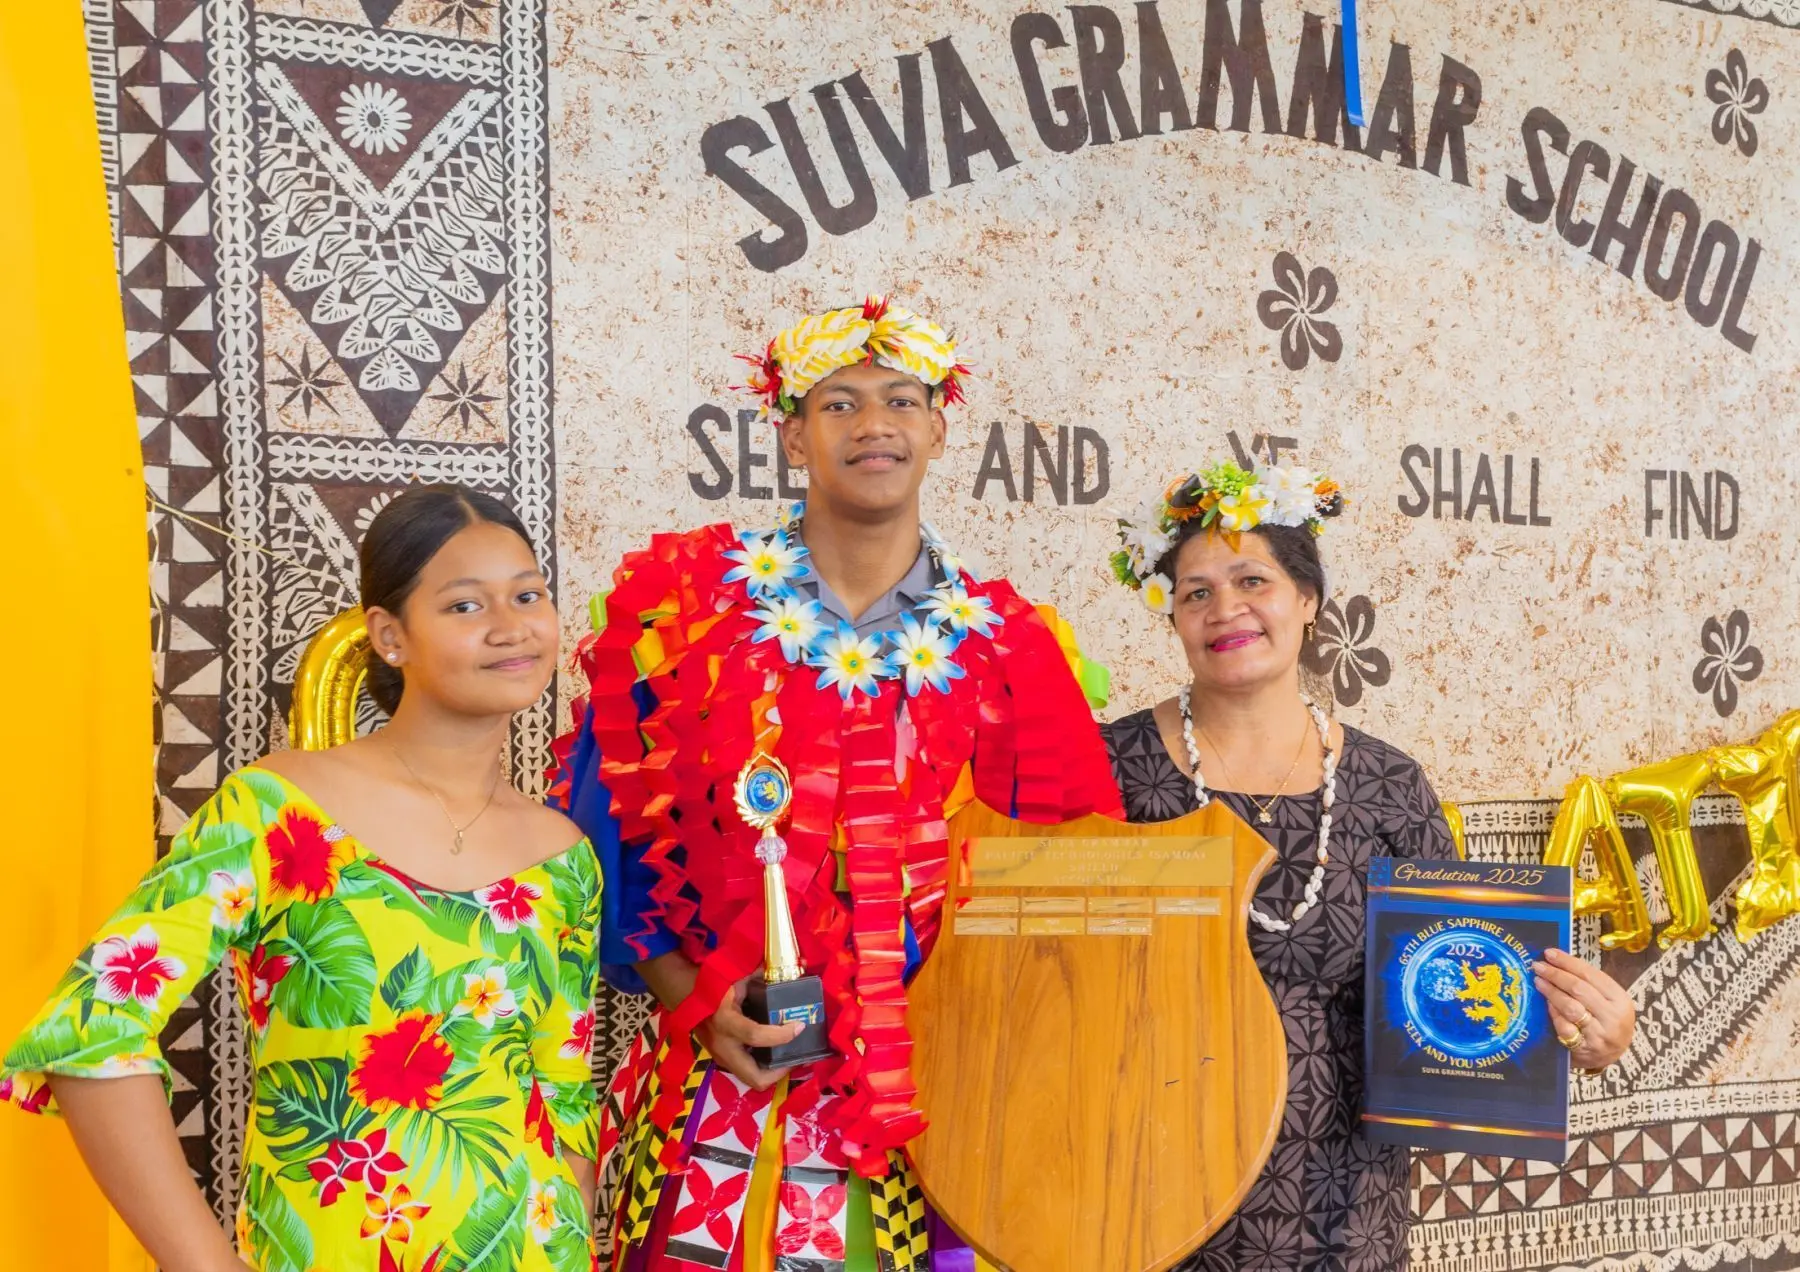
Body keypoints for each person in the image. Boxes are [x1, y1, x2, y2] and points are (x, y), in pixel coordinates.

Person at [551, 296, 1120, 1270]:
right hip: (719, 1083)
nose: (874, 425)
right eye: (839, 403)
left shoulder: (1013, 645)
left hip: (932, 1101)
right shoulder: (688, 610)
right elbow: (612, 837)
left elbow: (1067, 885)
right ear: (790, 432)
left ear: (939, 428)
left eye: (901, 400)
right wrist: (693, 1002)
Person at [1, 485, 602, 1272]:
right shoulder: (279, 810)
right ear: (391, 636)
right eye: (463, 606)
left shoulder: (562, 856)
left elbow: (565, 1107)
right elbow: (90, 1030)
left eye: (528, 594)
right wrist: (200, 1261)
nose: (510, 626)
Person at [1101, 461, 1638, 1271]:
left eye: (1254, 579)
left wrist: (1582, 1036)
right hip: (1143, 1192)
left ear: (1308, 602)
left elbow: (1467, 987)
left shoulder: (1390, 787)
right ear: (1171, 616)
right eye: (1196, 591)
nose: (1225, 610)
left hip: (1341, 1212)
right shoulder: (1106, 771)